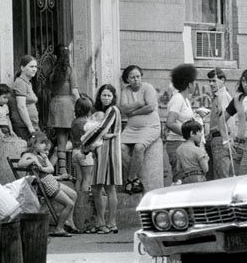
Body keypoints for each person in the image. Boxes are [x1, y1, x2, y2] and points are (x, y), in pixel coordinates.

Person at [19, 131, 78, 237]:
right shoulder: (29, 154)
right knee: (69, 204)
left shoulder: (41, 155)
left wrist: (44, 160)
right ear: (35, 143)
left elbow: (50, 169)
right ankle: (59, 228)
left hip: (50, 180)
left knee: (73, 194)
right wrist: (33, 161)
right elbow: (20, 163)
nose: (45, 147)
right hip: (46, 184)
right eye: (43, 144)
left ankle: (68, 221)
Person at [81, 84, 121, 234]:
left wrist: (85, 144)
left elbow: (101, 129)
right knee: (97, 188)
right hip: (101, 152)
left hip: (109, 152)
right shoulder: (103, 111)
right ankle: (101, 222)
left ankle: (111, 223)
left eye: (109, 95)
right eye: (104, 95)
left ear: (113, 97)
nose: (106, 98)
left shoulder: (113, 110)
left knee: (109, 187)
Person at [120, 65, 161, 195]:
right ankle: (135, 179)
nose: (136, 79)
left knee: (138, 147)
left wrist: (132, 112)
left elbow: (150, 107)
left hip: (150, 127)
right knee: (119, 148)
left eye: (138, 76)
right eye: (132, 77)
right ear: (127, 79)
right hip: (131, 128)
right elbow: (124, 109)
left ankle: (130, 179)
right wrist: (138, 104)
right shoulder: (125, 91)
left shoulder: (148, 88)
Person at [48, 45, 80, 175]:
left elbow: (48, 90)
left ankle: (62, 170)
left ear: (55, 56)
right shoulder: (70, 70)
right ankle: (74, 170)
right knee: (75, 137)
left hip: (55, 103)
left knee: (61, 138)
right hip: (68, 105)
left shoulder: (51, 71)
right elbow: (75, 92)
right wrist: (81, 107)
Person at [165, 64, 198, 183]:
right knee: (180, 179)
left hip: (184, 144)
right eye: (194, 82)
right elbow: (170, 122)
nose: (195, 85)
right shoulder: (178, 98)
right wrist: (188, 134)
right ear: (189, 84)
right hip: (177, 144)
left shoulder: (186, 100)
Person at [220, 68, 247, 176]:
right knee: (232, 181)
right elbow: (222, 119)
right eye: (243, 81)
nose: (245, 84)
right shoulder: (237, 99)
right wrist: (226, 141)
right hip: (238, 147)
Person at [206, 68, 236, 180]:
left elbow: (223, 119)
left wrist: (225, 140)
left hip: (220, 138)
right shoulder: (220, 96)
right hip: (220, 138)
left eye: (214, 80)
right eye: (209, 81)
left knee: (222, 177)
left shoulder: (222, 96)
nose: (211, 84)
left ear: (222, 80)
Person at [9, 55, 39, 141]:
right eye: (31, 66)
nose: (34, 69)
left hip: (31, 125)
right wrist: (30, 128)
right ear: (22, 68)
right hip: (23, 127)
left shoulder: (27, 83)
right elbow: (21, 107)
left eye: (35, 67)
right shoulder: (20, 83)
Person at [71, 94, 95, 193]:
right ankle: (83, 203)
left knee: (79, 178)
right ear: (89, 110)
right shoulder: (86, 123)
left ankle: (77, 204)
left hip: (75, 151)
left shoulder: (74, 121)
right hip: (84, 152)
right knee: (87, 178)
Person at [176, 120, 209, 184]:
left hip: (186, 179)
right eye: (199, 132)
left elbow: (178, 168)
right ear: (192, 133)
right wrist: (206, 159)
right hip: (199, 179)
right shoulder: (199, 150)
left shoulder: (179, 149)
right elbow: (205, 169)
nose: (201, 134)